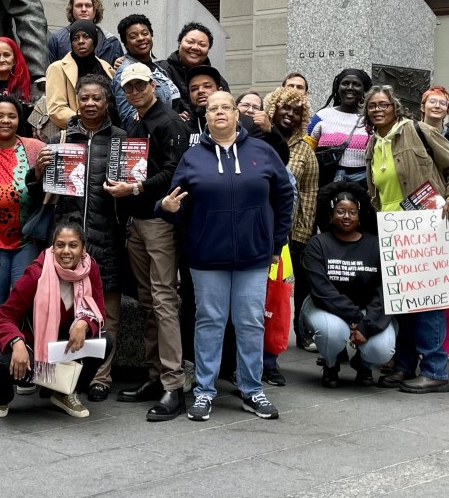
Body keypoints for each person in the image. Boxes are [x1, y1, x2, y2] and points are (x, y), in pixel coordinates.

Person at [157, 90, 293, 421]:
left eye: (225, 107)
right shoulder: (192, 157)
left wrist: (275, 244)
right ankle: (204, 392)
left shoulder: (262, 151)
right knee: (210, 323)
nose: (219, 112)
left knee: (249, 323)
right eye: (212, 108)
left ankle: (251, 389)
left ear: (236, 114)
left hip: (254, 256)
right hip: (206, 258)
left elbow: (285, 194)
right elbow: (175, 204)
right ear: (206, 118)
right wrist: (167, 208)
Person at [363, 85, 449, 393]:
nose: (378, 109)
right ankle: (405, 366)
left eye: (384, 104)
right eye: (372, 106)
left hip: (427, 228)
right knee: (403, 302)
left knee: (427, 301)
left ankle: (435, 371)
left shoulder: (417, 130)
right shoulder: (373, 144)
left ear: (395, 107)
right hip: (394, 233)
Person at [40, 74, 128, 402]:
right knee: (64, 309)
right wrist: (39, 172)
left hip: (109, 236)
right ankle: (63, 374)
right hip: (67, 240)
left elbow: (134, 192)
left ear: (107, 103)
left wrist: (129, 189)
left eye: (97, 98)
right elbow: (40, 193)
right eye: (85, 98)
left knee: (108, 313)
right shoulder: (59, 138)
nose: (90, 103)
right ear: (76, 101)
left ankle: (100, 377)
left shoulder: (122, 139)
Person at [110, 63, 191, 421]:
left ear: (154, 86)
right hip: (137, 221)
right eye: (128, 88)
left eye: (140, 85)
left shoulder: (170, 123)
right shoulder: (134, 123)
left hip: (159, 221)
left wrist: (136, 188)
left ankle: (174, 385)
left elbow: (174, 172)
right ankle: (155, 376)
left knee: (163, 299)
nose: (134, 92)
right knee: (147, 301)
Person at [0, 222, 112, 418]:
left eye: (73, 245)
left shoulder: (91, 269)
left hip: (64, 344)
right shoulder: (37, 273)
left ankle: (65, 392)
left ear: (83, 249)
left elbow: (100, 312)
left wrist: (85, 324)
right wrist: (17, 342)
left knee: (105, 342)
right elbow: (5, 317)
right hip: (32, 343)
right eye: (60, 245)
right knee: (6, 365)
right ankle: (0, 394)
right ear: (52, 247)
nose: (66, 251)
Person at [0, 95, 45, 386]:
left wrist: (42, 172)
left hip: (25, 241)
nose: (6, 121)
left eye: (12, 116)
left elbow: (48, 189)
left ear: (20, 120)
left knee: (24, 303)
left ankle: (24, 365)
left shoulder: (35, 148)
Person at [302, 183, 396, 388]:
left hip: (368, 309)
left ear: (360, 215)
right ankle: (331, 364)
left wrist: (367, 323)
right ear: (331, 214)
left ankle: (363, 364)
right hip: (325, 307)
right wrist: (356, 318)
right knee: (332, 334)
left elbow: (384, 290)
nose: (346, 216)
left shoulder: (376, 244)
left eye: (352, 212)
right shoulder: (318, 244)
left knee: (382, 349)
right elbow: (322, 291)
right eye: (340, 211)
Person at [266, 86, 320, 367]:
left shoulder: (306, 150)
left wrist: (301, 233)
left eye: (297, 111)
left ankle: (295, 336)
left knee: (283, 292)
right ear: (273, 107)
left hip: (288, 234)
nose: (290, 115)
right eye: (285, 108)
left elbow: (309, 194)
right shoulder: (257, 138)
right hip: (258, 229)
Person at [45, 19, 116, 131]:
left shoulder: (106, 67)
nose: (81, 41)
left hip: (108, 131)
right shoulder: (57, 68)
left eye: (86, 36)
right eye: (75, 38)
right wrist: (86, 124)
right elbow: (56, 109)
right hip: (75, 134)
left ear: (94, 39)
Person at [112, 14, 179, 127]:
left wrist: (178, 118)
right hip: (152, 139)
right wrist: (170, 121)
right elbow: (129, 117)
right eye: (133, 37)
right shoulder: (126, 71)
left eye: (145, 33)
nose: (141, 38)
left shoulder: (157, 68)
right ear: (126, 44)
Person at [309, 69, 373, 184]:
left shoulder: (371, 119)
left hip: (362, 185)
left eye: (357, 84)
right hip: (326, 183)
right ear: (337, 88)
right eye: (345, 83)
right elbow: (307, 151)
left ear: (364, 90)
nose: (350, 87)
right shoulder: (321, 116)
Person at [158, 22, 227, 118]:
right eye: (190, 42)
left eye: (202, 45)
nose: (195, 48)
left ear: (208, 50)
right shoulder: (160, 70)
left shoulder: (218, 79)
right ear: (179, 43)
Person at [46, 0, 122, 65]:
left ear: (95, 9)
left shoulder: (110, 42)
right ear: (72, 9)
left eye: (88, 6)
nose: (83, 9)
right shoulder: (57, 39)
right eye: (79, 6)